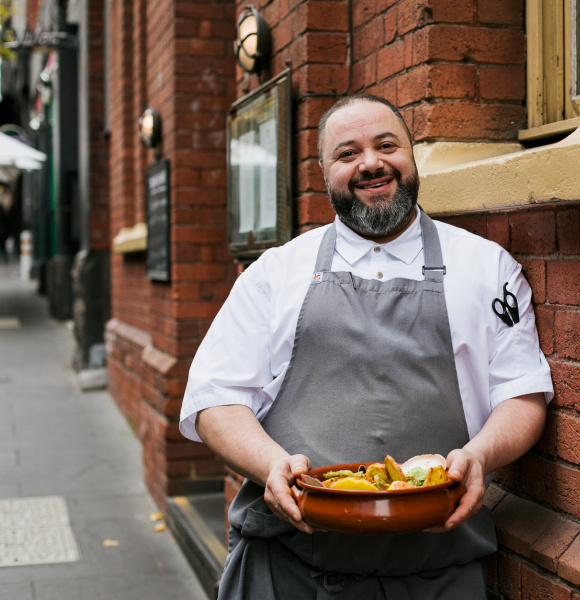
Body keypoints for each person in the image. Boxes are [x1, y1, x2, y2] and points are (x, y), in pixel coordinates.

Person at [180, 94, 554, 599]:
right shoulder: (276, 273)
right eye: (348, 153)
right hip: (286, 570)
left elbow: (523, 395)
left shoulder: (488, 268)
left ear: (412, 154)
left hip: (435, 575)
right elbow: (214, 396)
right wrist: (269, 464)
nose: (371, 163)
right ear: (323, 171)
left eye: (386, 145)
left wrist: (480, 457)